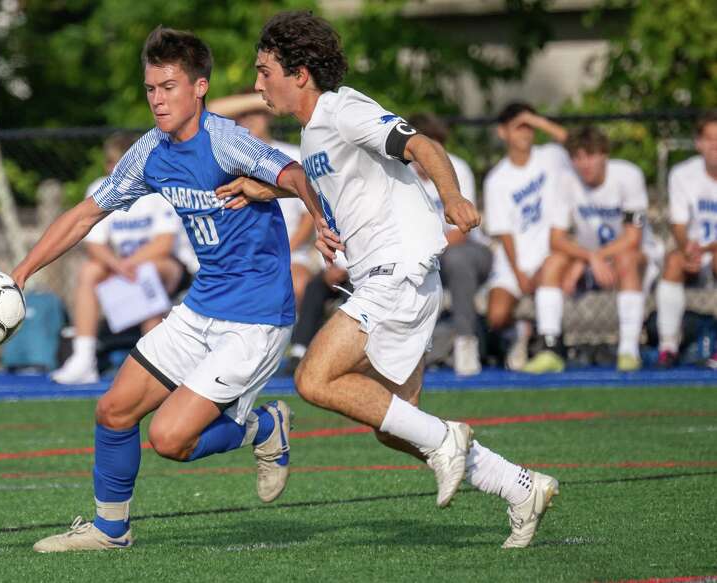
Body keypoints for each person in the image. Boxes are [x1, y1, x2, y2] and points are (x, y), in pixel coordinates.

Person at [218, 11, 559, 549]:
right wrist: (269, 190)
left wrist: (452, 197)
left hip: (398, 271)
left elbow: (422, 145)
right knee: (395, 424)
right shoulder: (312, 133)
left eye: (265, 71)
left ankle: (449, 440)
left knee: (313, 380)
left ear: (300, 73)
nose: (258, 84)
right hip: (394, 278)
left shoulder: (343, 107)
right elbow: (327, 178)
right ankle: (519, 486)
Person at [12, 26, 337, 553]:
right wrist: (22, 272)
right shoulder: (150, 152)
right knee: (113, 411)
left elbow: (299, 174)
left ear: (200, 87)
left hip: (255, 317)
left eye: (169, 87)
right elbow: (85, 214)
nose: (158, 100)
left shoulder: (226, 139)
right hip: (201, 306)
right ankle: (109, 529)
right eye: (150, 89)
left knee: (169, 439)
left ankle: (263, 426)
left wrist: (320, 222)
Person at [51, 133, 194, 385]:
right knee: (90, 271)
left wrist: (129, 265)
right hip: (122, 266)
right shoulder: (100, 188)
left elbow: (163, 244)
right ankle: (84, 357)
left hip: (168, 267)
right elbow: (94, 244)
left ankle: (156, 362)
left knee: (147, 272)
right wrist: (117, 265)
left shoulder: (159, 189)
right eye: (111, 163)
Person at [526, 126, 661, 373]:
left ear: (604, 155)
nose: (584, 163)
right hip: (592, 260)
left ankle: (628, 351)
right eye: (577, 157)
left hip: (633, 259)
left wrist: (594, 257)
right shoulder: (566, 181)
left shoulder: (628, 176)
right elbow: (556, 239)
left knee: (625, 258)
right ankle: (550, 347)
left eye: (590, 155)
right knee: (552, 263)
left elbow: (633, 237)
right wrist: (588, 258)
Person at [209, 93, 319, 309]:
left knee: (296, 284)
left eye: (256, 113)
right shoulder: (227, 160)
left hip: (292, 252)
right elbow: (210, 110)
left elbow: (309, 215)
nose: (249, 119)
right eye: (241, 114)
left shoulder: (293, 155)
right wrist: (259, 100)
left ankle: (296, 343)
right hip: (240, 256)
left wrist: (283, 252)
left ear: (268, 115)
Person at [483, 102, 569, 372]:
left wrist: (538, 121)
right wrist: (519, 272)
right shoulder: (497, 179)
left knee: (552, 267)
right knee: (496, 315)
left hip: (549, 252)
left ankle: (549, 346)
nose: (525, 134)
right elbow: (504, 232)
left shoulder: (551, 156)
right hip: (514, 259)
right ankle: (523, 333)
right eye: (518, 128)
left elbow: (575, 143)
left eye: (529, 128)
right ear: (503, 133)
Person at [409, 113, 492, 376]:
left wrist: (424, 250)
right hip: (419, 252)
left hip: (465, 252)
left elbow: (461, 231)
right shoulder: (399, 174)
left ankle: (466, 341)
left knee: (458, 259)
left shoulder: (457, 167)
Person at [655, 111, 717, 368]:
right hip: (696, 251)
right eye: (710, 139)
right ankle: (667, 347)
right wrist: (687, 248)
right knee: (673, 261)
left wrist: (708, 249)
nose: (715, 146)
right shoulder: (682, 173)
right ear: (698, 143)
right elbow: (679, 224)